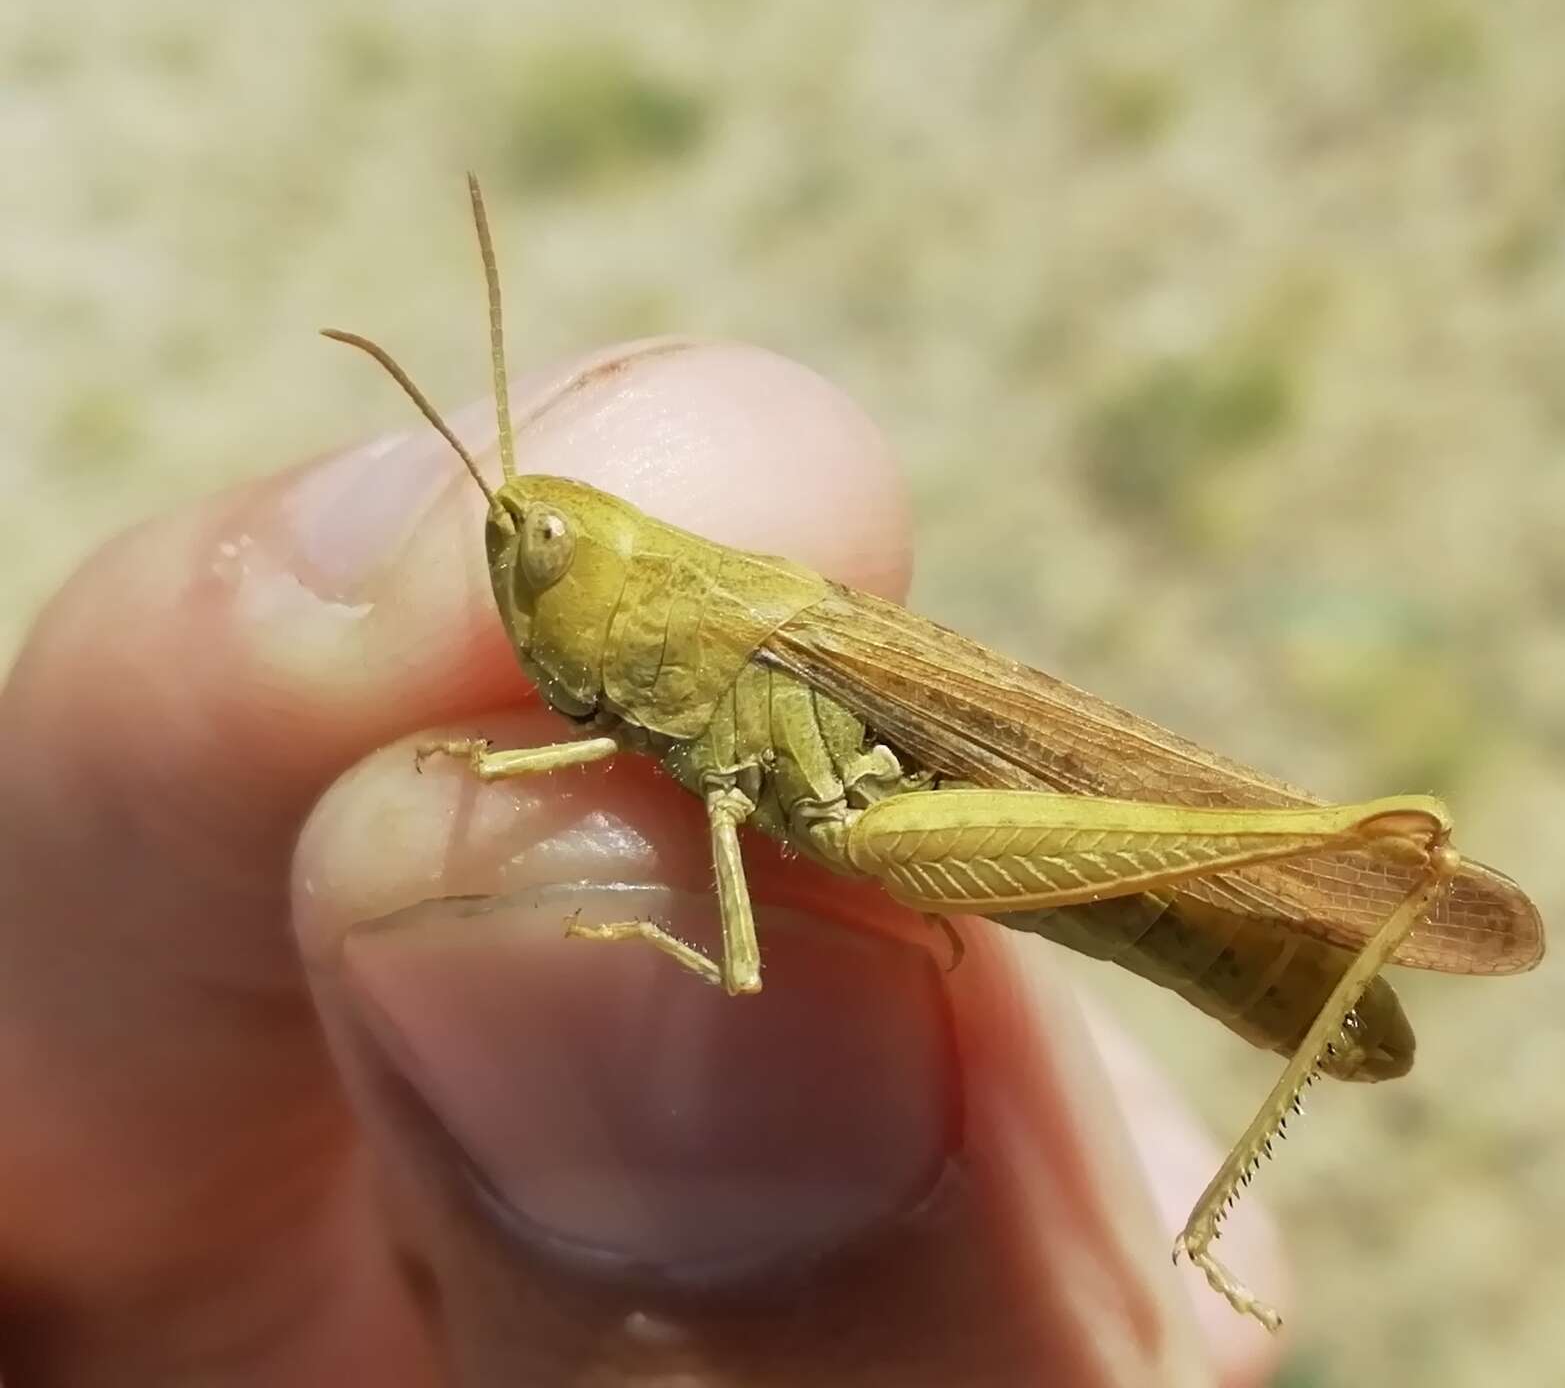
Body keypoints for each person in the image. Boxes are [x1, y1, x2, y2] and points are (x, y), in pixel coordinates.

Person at [0, 339, 1285, 1386]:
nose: (516, 579)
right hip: (893, 816)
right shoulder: (670, 668)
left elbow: (735, 952)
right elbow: (658, 753)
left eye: (542, 555)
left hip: (1012, 822)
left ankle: (1224, 1195)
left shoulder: (725, 633)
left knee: (1342, 847)